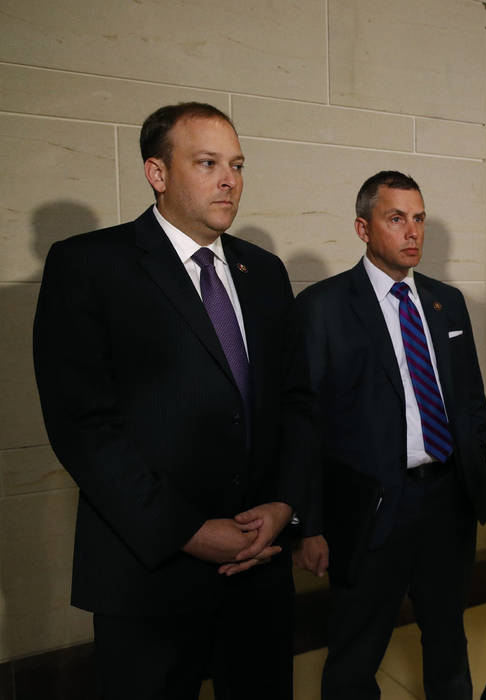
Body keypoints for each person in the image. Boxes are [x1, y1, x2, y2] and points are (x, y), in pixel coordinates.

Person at [32, 102, 312, 699]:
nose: (229, 180)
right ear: (157, 174)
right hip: (148, 572)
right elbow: (84, 426)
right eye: (207, 162)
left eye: (236, 164)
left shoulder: (264, 272)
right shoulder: (89, 266)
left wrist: (285, 506)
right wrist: (185, 530)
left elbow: (295, 403)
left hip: (258, 569)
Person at [292, 171, 486, 699]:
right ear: (363, 227)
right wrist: (309, 524)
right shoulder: (324, 308)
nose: (413, 232)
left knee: (448, 639)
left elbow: (471, 399)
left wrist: (471, 460)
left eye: (419, 218)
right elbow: (304, 424)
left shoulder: (446, 302)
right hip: (370, 508)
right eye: (396, 218)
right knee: (355, 654)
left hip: (446, 500)